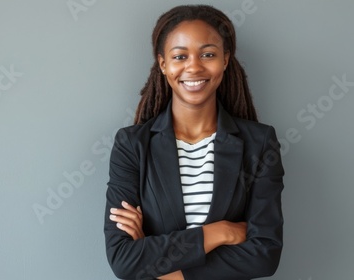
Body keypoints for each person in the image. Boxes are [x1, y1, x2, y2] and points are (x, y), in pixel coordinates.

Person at [104, 5, 284, 280]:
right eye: (180, 56)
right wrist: (220, 232)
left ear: (225, 59)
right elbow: (123, 259)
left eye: (208, 54)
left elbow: (264, 256)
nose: (194, 66)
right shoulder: (132, 145)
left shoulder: (259, 143)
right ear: (163, 64)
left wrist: (164, 268)